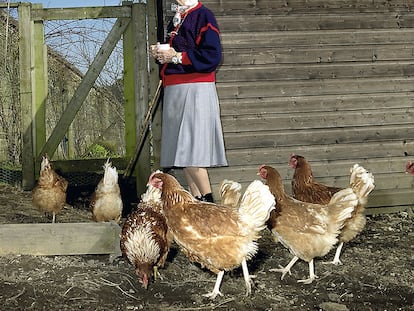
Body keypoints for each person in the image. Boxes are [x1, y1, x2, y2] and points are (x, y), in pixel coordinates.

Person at [150, 0, 227, 203]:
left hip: (195, 89)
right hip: (175, 89)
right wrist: (161, 54)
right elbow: (175, 53)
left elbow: (212, 55)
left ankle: (209, 206)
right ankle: (197, 204)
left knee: (192, 153)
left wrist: (176, 57)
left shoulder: (203, 15)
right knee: (183, 156)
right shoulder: (178, 17)